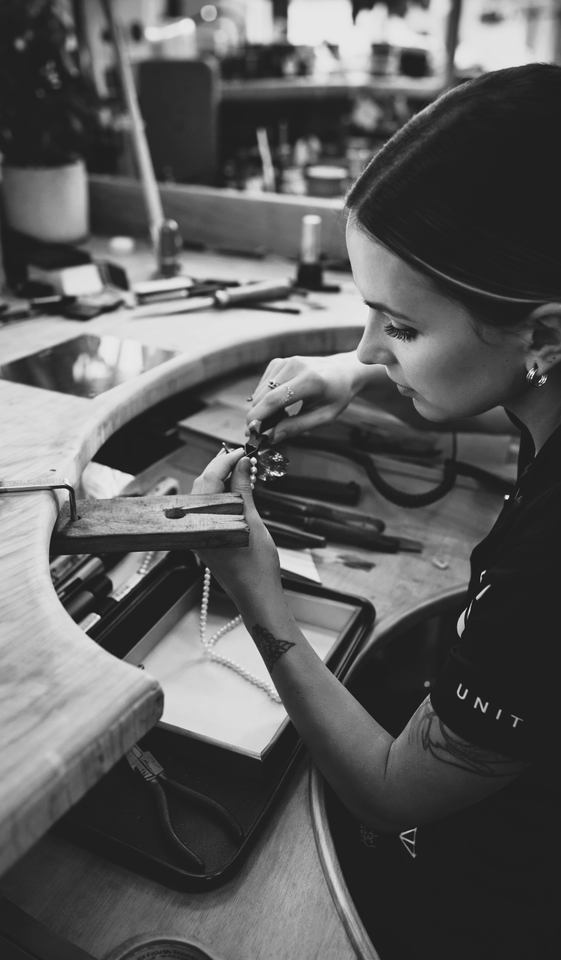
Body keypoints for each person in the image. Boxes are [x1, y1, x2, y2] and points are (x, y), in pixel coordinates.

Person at [192, 64, 561, 959]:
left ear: (545, 335)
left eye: (397, 327)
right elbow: (476, 361)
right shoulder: (545, 379)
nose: (366, 345)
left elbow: (394, 790)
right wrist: (351, 376)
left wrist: (260, 591)